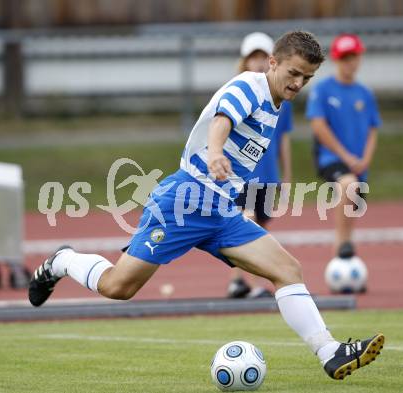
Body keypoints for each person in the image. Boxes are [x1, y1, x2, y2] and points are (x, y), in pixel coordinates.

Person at [29, 31, 384, 380]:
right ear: (272, 63)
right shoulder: (249, 86)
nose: (297, 83)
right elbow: (222, 121)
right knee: (117, 287)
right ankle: (62, 261)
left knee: (288, 270)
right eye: (292, 73)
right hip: (183, 201)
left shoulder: (277, 103)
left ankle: (329, 351)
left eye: (305, 78)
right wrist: (215, 153)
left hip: (221, 211)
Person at [228, 32, 293, 299]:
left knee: (261, 227)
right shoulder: (239, 94)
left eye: (262, 58)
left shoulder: (281, 99)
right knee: (248, 224)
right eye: (252, 57)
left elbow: (283, 139)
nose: (257, 63)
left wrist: (286, 175)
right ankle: (254, 285)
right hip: (242, 174)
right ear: (244, 62)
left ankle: (237, 280)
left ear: (272, 62)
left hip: (267, 173)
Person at [306, 34, 381, 259]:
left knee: (352, 204)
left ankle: (346, 254)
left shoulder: (364, 93)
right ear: (337, 60)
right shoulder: (323, 90)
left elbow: (372, 129)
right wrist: (346, 157)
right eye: (345, 58)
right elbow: (319, 126)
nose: (350, 63)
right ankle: (341, 247)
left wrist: (366, 158)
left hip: (359, 164)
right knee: (347, 185)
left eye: (354, 57)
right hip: (332, 158)